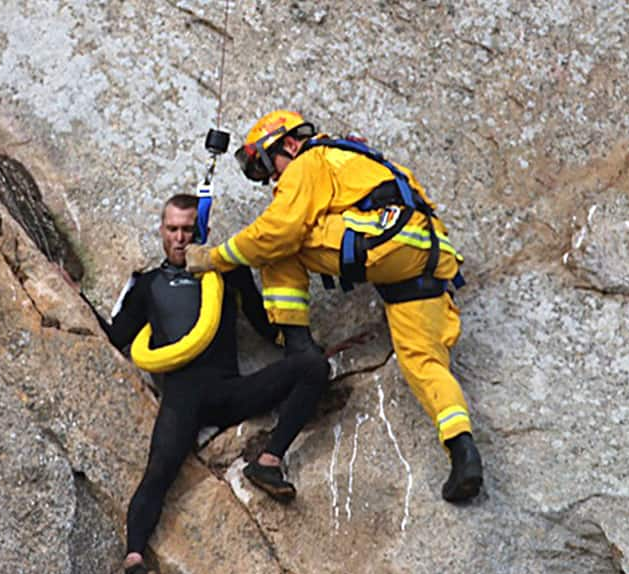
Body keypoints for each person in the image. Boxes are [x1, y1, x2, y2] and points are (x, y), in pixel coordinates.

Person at [185, 110, 484, 503]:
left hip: (385, 241)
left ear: (288, 144)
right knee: (425, 363)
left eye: (267, 164)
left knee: (279, 242)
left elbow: (279, 230)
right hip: (425, 256)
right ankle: (463, 451)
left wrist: (214, 258)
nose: (272, 178)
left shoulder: (309, 160)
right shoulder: (356, 160)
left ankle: (297, 348)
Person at [94, 193, 329, 574]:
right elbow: (116, 337)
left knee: (313, 366)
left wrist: (305, 339)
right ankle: (134, 557)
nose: (181, 238)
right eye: (173, 229)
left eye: (188, 229)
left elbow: (261, 320)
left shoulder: (227, 274)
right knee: (158, 471)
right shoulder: (149, 285)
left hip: (229, 390)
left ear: (198, 231)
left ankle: (269, 460)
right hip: (183, 396)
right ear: (162, 231)